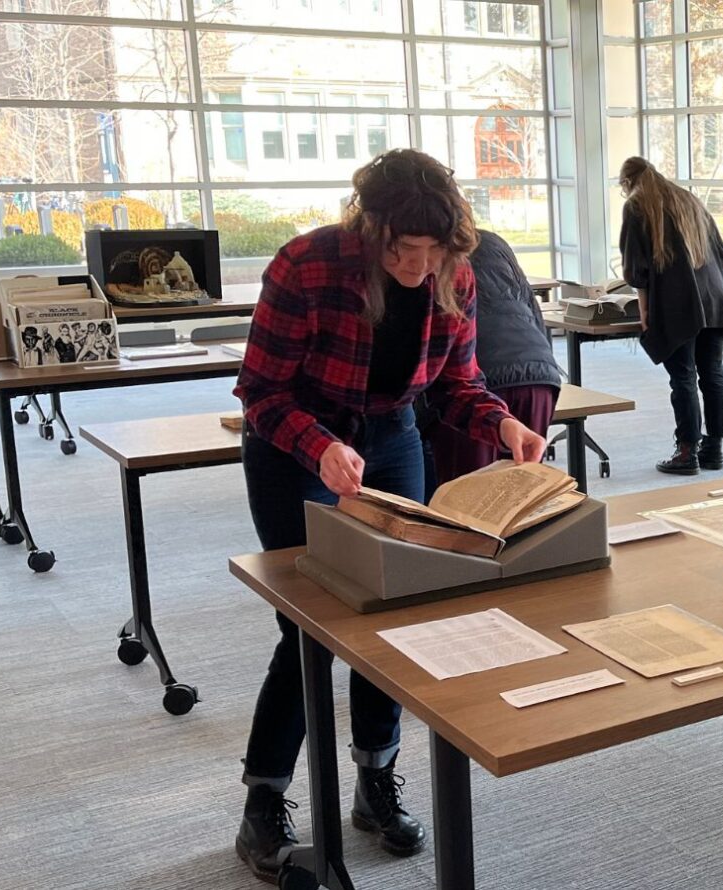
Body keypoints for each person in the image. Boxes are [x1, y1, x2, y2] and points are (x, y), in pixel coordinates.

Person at [231, 149, 547, 883]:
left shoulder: (454, 275)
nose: (417, 267)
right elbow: (260, 392)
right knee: (311, 625)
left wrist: (502, 426)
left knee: (393, 612)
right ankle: (264, 802)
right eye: (404, 251)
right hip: (294, 444)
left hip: (392, 434)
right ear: (370, 229)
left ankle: (375, 781)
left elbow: (459, 382)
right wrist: (320, 447)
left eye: (433, 252)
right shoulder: (305, 266)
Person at [419, 229, 562, 493]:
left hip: (475, 380)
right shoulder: (494, 242)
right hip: (536, 372)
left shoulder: (430, 255)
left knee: (468, 504)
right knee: (521, 496)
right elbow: (532, 308)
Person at [618, 157, 723, 476]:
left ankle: (687, 452)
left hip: (675, 299)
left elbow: (636, 269)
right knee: (713, 372)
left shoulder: (637, 205)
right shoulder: (689, 199)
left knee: (682, 375)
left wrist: (644, 310)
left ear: (627, 182)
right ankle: (714, 448)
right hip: (713, 298)